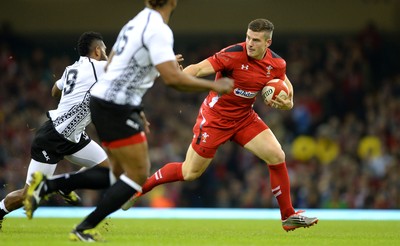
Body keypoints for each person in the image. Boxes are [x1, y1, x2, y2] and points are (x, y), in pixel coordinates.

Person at [24, 0, 233, 242]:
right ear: (173, 2)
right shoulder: (159, 29)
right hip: (116, 107)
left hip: (105, 103)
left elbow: (114, 64)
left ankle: (54, 193)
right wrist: (214, 85)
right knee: (137, 176)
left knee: (117, 175)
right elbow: (174, 80)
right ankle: (75, 215)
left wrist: (138, 107)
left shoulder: (135, 22)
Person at [121, 18, 319, 231]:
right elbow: (197, 69)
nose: (250, 44)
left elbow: (287, 90)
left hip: (244, 118)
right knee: (190, 173)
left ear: (267, 43)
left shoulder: (277, 64)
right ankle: (140, 188)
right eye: (248, 38)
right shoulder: (232, 54)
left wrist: (288, 102)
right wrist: (177, 75)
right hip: (215, 119)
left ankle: (287, 216)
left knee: (277, 155)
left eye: (255, 40)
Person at [0, 31, 120, 231]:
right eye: (105, 50)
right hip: (53, 138)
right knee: (29, 194)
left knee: (108, 167)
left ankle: (67, 185)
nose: (106, 53)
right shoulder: (99, 67)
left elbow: (55, 90)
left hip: (75, 137)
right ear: (98, 50)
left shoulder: (71, 68)